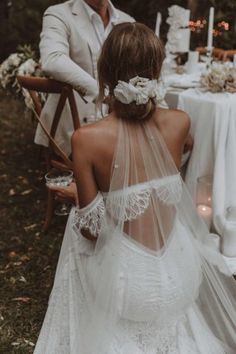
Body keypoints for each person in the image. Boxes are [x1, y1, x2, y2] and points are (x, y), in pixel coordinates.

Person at [34, 23, 236, 353]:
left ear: (104, 74)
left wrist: (80, 198)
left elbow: (91, 232)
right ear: (156, 71)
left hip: (130, 292)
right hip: (183, 276)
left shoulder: (85, 139)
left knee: (75, 225)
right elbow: (184, 147)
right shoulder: (180, 121)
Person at [34, 0, 134, 156]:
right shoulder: (58, 13)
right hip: (73, 130)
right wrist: (102, 94)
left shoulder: (127, 21)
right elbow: (53, 59)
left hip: (121, 127)